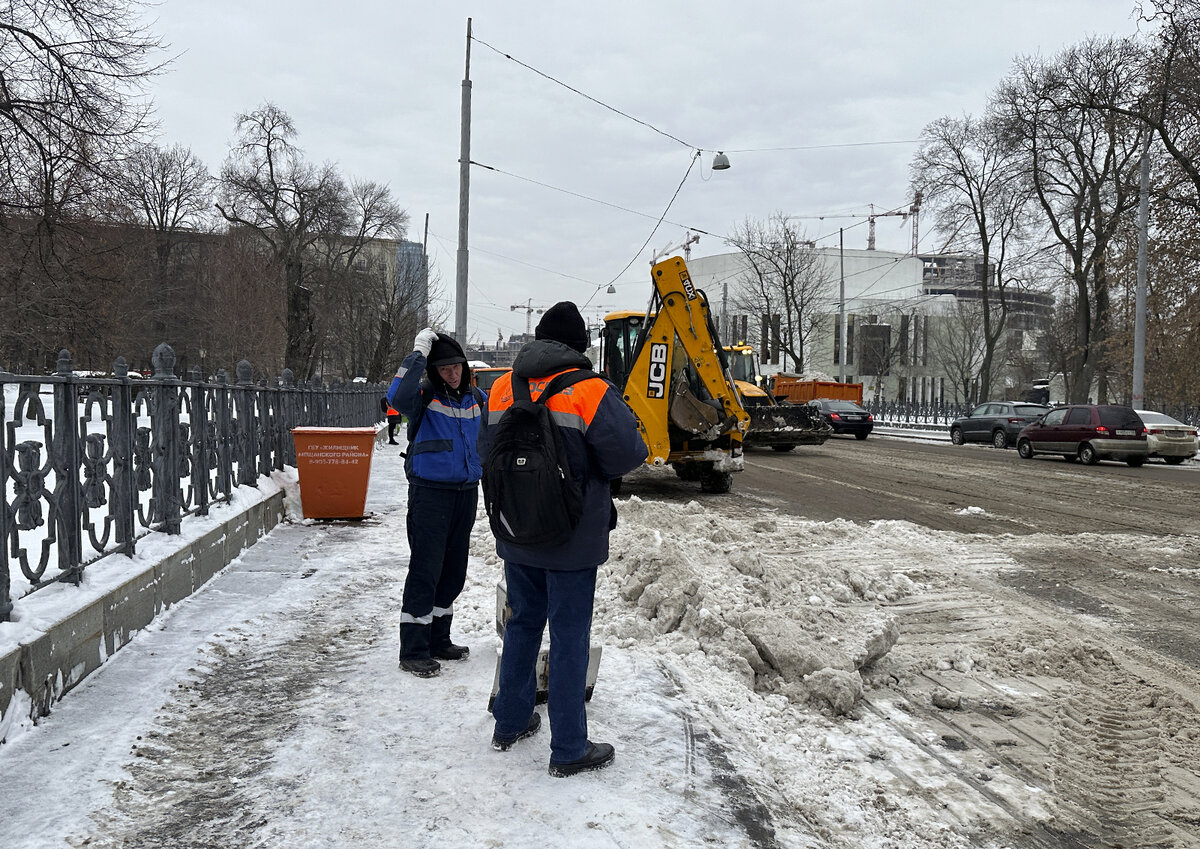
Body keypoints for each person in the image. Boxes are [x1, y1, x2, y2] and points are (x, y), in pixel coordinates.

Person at [479, 301, 647, 777]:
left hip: (516, 530)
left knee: (523, 623)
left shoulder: (499, 389)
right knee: (570, 635)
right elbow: (626, 456)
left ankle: (509, 721)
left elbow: (484, 451)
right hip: (572, 537)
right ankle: (569, 747)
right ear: (579, 348)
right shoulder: (590, 390)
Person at [387, 328, 486, 678]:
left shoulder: (475, 398)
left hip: (465, 493)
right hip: (430, 494)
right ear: (433, 371)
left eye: (456, 365)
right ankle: (413, 649)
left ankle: (439, 639)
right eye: (444, 368)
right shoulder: (424, 396)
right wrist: (418, 353)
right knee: (426, 570)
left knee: (453, 571)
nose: (453, 373)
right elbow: (396, 397)